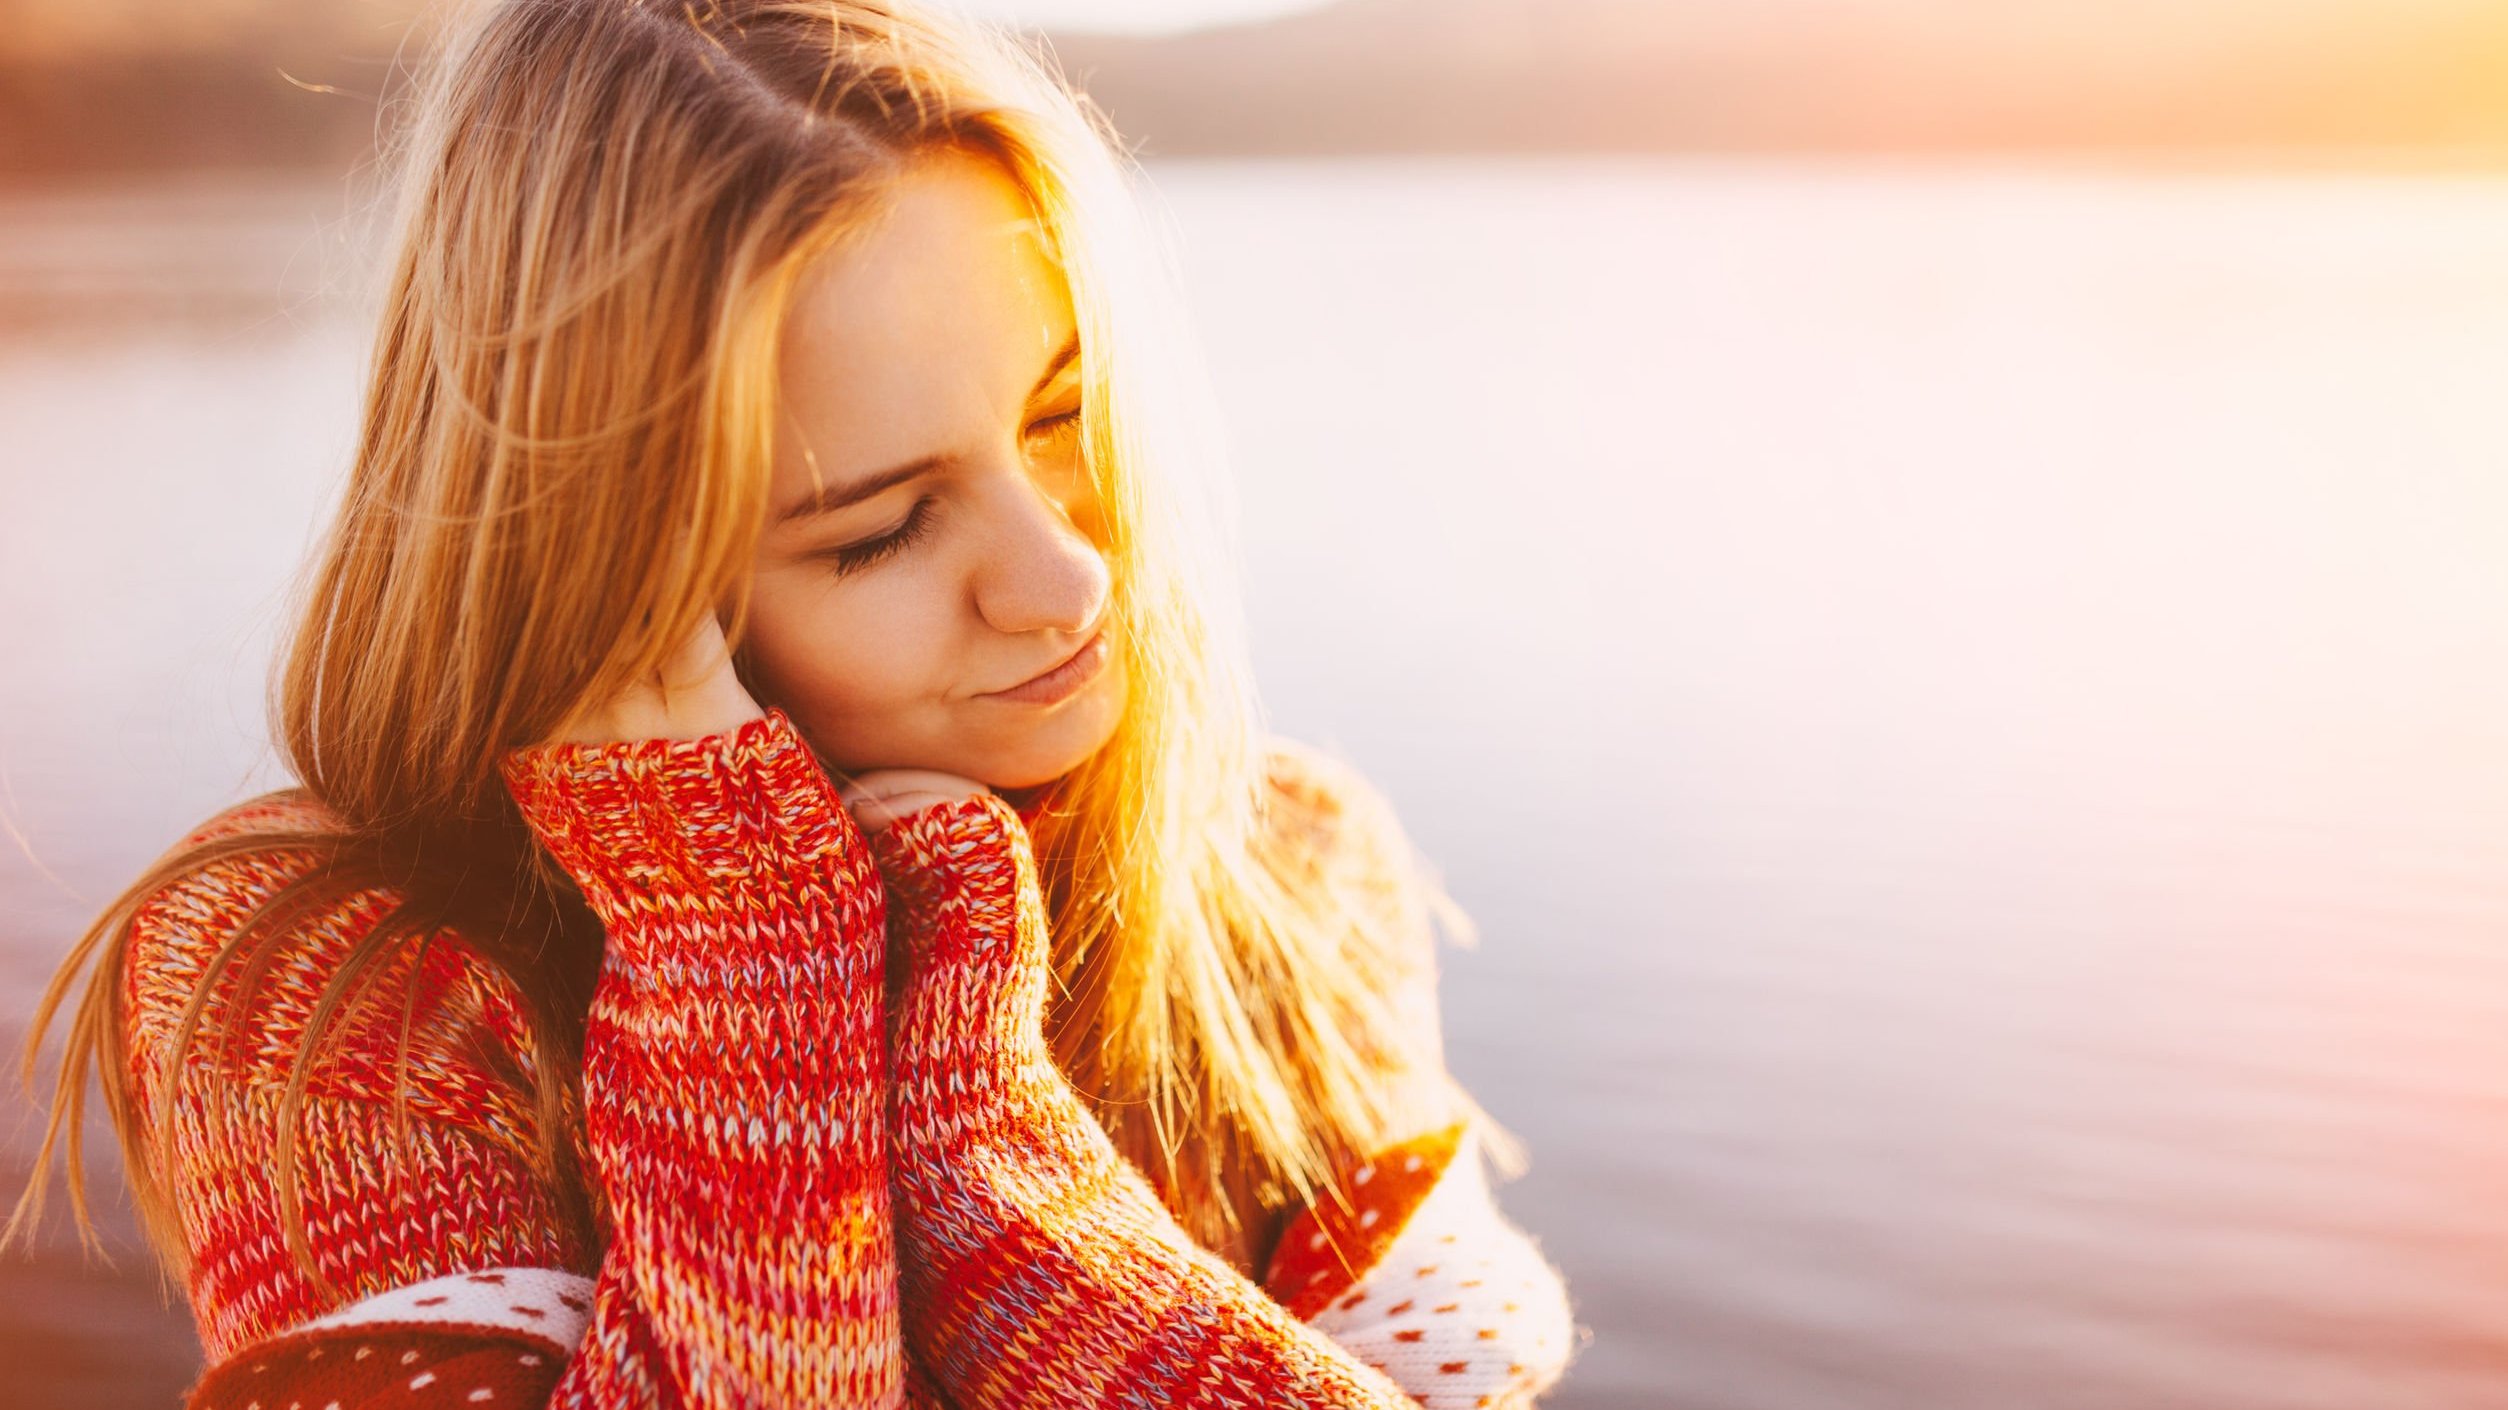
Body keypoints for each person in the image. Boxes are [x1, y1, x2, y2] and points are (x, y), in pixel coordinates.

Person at [5, 1, 1578, 1405]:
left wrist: (988, 1170)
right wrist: (742, 960)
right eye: (881, 526)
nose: (1065, 581)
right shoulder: (331, 990)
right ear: (616, 579)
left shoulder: (1286, 865)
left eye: (1064, 415)